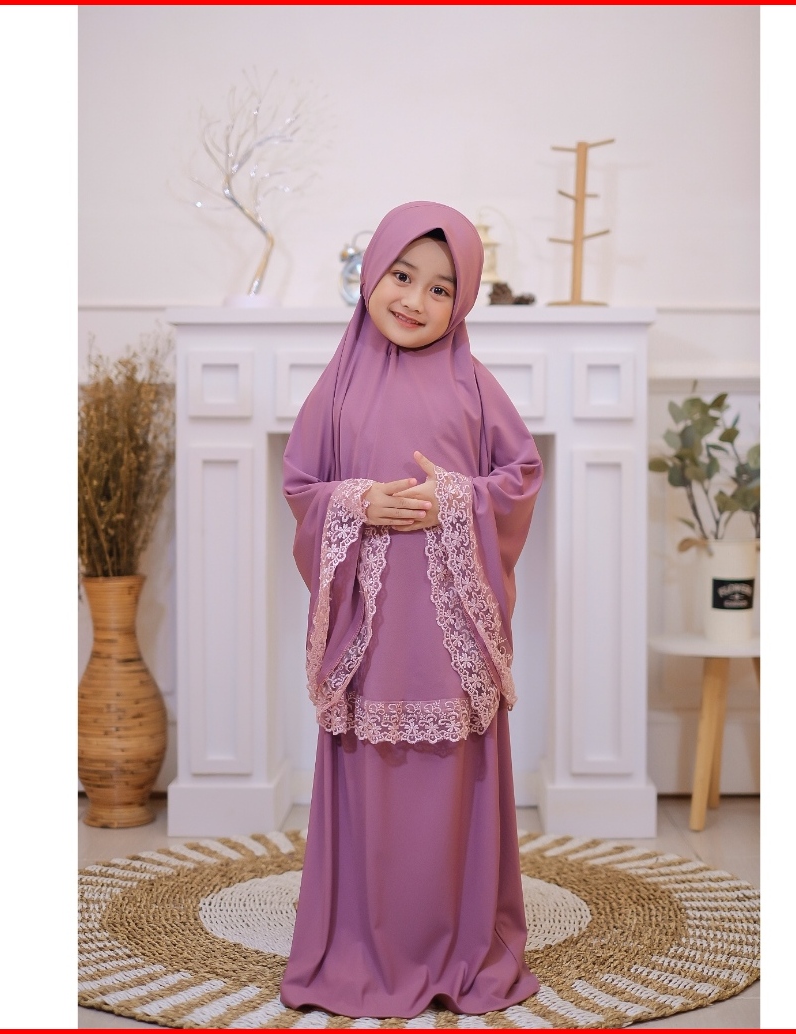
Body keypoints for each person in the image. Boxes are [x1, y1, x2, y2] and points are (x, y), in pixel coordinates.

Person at [280, 201, 543, 1019]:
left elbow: (520, 475)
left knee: (450, 780)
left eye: (440, 288)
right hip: (374, 630)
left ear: (461, 304)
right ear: (372, 273)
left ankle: (458, 940)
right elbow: (302, 485)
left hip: (447, 632)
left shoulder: (473, 383)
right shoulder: (339, 384)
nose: (415, 301)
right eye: (402, 276)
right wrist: (358, 503)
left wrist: (453, 501)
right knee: (372, 779)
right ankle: (363, 943)